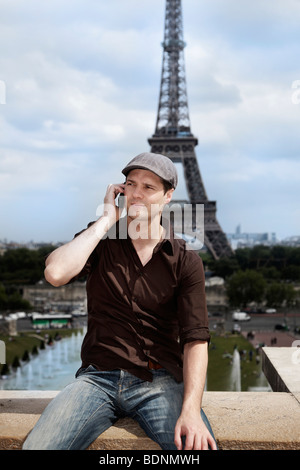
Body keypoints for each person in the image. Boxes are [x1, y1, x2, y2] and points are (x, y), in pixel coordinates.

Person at [23, 152, 217, 451]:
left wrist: (190, 410)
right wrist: (105, 220)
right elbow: (56, 273)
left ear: (168, 197)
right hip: (97, 379)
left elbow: (196, 340)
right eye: (130, 184)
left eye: (148, 187)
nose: (136, 193)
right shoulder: (99, 242)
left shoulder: (185, 261)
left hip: (160, 381)